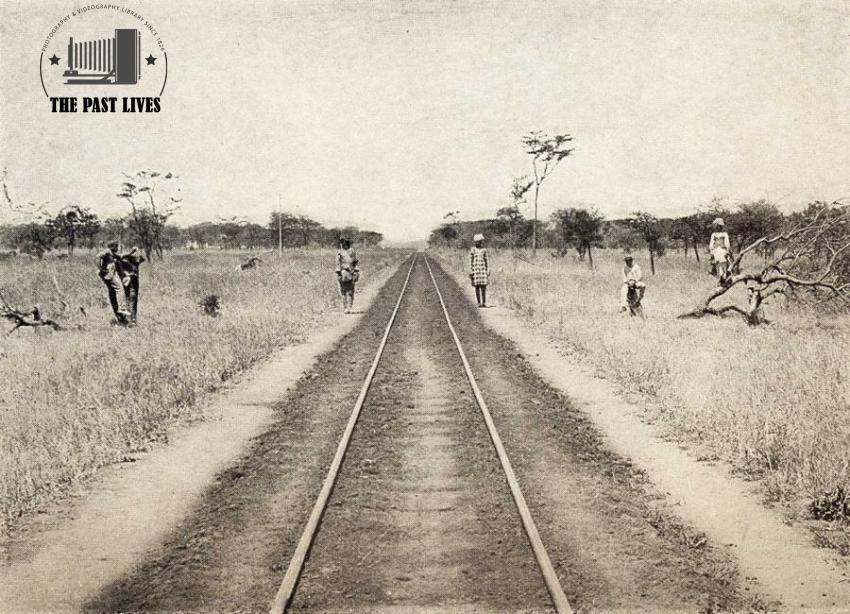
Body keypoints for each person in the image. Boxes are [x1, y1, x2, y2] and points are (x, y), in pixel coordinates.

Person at [97, 241, 130, 324]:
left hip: (108, 274)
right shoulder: (107, 251)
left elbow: (121, 256)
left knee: (113, 294)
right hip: (108, 274)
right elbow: (98, 256)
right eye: (116, 246)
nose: (117, 248)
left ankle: (120, 317)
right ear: (112, 246)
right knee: (120, 289)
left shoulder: (111, 253)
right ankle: (122, 308)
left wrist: (131, 252)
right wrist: (100, 268)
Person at [120, 247, 146, 325]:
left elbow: (142, 258)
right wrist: (132, 252)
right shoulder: (130, 266)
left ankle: (131, 320)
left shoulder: (130, 265)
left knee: (130, 302)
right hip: (132, 289)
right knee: (131, 302)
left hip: (131, 288)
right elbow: (121, 256)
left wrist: (133, 252)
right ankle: (132, 320)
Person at [336, 237, 359, 314]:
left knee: (350, 291)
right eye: (341, 242)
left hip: (351, 273)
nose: (342, 243)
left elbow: (356, 263)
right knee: (343, 291)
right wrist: (338, 273)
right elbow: (338, 263)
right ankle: (345, 307)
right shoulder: (339, 252)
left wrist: (356, 272)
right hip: (343, 273)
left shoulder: (352, 251)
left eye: (344, 242)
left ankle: (349, 307)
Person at [468, 233, 489, 307]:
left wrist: (488, 270)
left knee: (483, 287)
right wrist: (470, 270)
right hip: (475, 270)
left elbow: (487, 260)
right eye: (477, 242)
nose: (478, 243)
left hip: (483, 270)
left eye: (479, 241)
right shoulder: (472, 250)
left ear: (481, 242)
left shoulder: (484, 250)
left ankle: (484, 302)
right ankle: (478, 302)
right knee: (477, 286)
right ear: (475, 242)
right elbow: (470, 261)